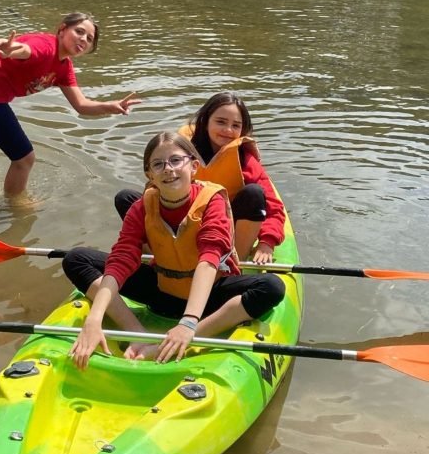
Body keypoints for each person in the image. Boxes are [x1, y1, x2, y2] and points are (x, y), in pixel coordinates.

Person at [63, 132, 285, 368]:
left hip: (210, 297)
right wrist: (94, 319)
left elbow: (210, 257)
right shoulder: (141, 207)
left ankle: (185, 338)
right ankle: (137, 334)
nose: (168, 169)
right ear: (150, 175)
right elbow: (121, 258)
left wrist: (188, 323)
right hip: (163, 290)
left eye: (176, 160)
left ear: (194, 166)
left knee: (271, 287)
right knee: (76, 259)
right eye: (158, 164)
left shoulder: (212, 200)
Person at [0, 12, 141, 196]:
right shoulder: (46, 47)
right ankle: (16, 208)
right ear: (62, 29)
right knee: (24, 160)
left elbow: (81, 105)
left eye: (89, 38)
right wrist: (12, 49)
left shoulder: (64, 68)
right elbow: (26, 50)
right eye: (79, 32)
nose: (83, 39)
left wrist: (111, 106)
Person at [114, 92, 285, 263]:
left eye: (236, 125)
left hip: (224, 229)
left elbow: (274, 207)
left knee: (254, 193)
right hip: (183, 220)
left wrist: (267, 242)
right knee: (125, 198)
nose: (228, 130)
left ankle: (232, 263)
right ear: (205, 122)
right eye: (221, 122)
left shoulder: (246, 161)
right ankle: (157, 259)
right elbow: (155, 187)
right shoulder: (182, 152)